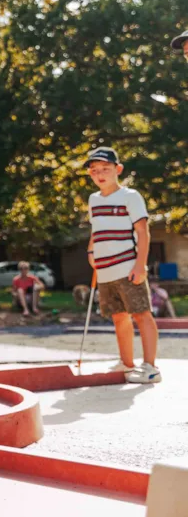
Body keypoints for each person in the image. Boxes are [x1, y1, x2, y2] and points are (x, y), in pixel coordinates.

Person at [84, 146, 161, 383]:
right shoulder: (93, 200)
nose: (100, 174)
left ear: (118, 169)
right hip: (105, 270)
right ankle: (127, 365)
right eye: (94, 170)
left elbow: (143, 232)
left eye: (105, 169)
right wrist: (91, 251)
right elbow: (96, 230)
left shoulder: (130, 196)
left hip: (128, 266)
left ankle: (150, 367)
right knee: (118, 317)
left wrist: (141, 265)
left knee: (141, 314)